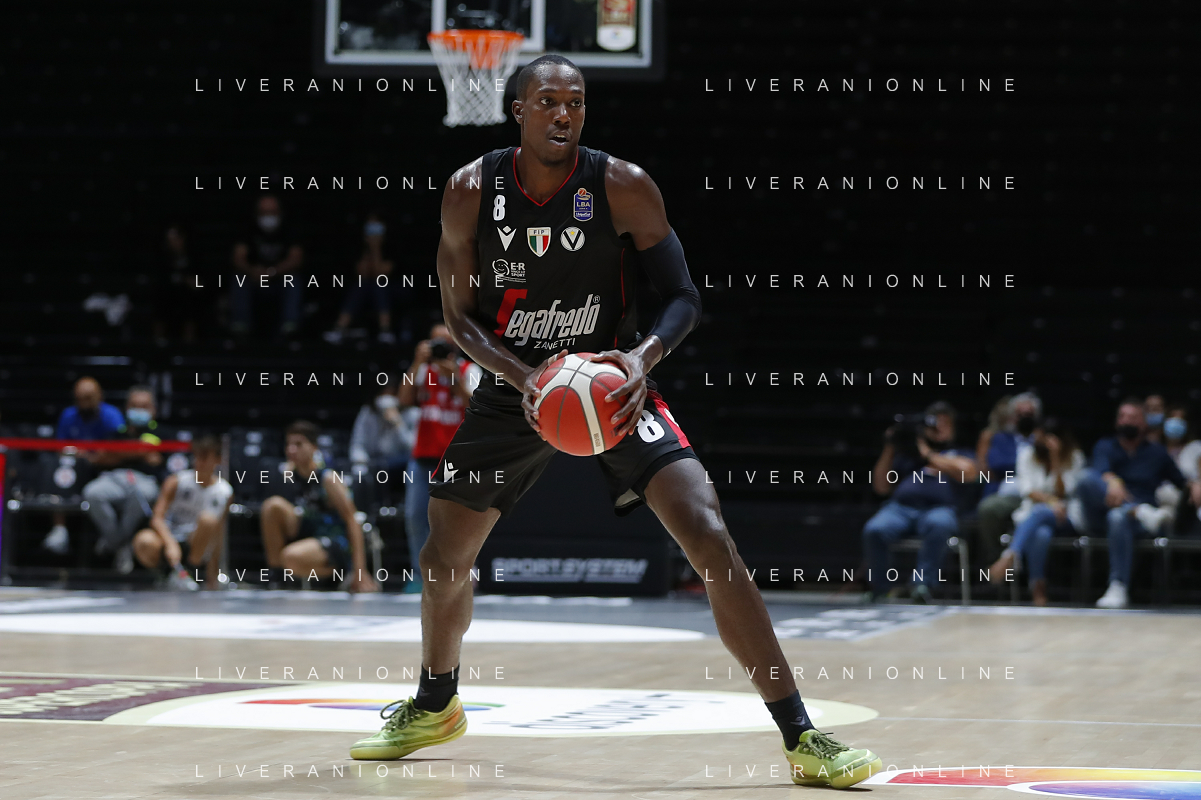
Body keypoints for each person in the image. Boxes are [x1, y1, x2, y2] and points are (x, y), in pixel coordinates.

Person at [347, 55, 881, 788]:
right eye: (548, 101)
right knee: (443, 557)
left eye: (575, 102)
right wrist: (527, 379)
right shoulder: (470, 191)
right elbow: (459, 319)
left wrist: (640, 358)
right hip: (515, 388)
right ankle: (436, 703)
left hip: (613, 385)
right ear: (518, 110)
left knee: (708, 534)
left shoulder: (621, 186)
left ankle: (802, 735)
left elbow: (684, 298)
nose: (564, 113)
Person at [862, 401, 980, 604]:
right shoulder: (907, 457)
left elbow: (968, 472)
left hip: (939, 509)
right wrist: (890, 447)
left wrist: (927, 453)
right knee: (875, 529)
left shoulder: (959, 452)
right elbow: (881, 487)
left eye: (944, 424)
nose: (938, 428)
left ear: (953, 429)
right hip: (901, 509)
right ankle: (880, 589)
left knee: (940, 523)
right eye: (933, 423)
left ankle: (922, 586)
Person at [397, 323, 482, 593]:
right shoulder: (423, 370)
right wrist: (416, 363)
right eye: (435, 342)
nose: (441, 348)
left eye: (446, 342)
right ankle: (419, 577)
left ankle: (462, 576)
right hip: (423, 456)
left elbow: (476, 408)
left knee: (460, 521)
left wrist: (454, 380)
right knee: (415, 517)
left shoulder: (469, 370)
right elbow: (403, 400)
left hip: (457, 458)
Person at [1078, 398, 1187, 609]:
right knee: (1085, 479)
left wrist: (1195, 484)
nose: (1127, 421)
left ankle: (1118, 586)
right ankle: (1137, 510)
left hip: (1138, 526)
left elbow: (1182, 482)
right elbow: (1101, 472)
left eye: (1133, 417)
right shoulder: (1105, 445)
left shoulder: (1157, 452)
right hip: (1101, 515)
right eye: (1123, 416)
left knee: (1117, 517)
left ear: (1144, 423)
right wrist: (1114, 482)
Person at [258, 420, 378, 592]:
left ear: (314, 447)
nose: (291, 450)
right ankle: (277, 577)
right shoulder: (292, 474)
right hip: (310, 530)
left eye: (298, 444)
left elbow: (352, 520)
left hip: (335, 538)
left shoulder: (328, 478)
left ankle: (344, 575)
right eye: (289, 444)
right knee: (272, 506)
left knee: (290, 557)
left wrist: (360, 571)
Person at [988, 418, 1086, 606]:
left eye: (1043, 439)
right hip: (1036, 517)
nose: (1038, 442)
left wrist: (1055, 458)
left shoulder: (1075, 457)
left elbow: (1063, 492)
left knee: (1041, 512)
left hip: (1065, 517)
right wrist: (1052, 502)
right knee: (1041, 534)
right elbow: (1027, 490)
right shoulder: (1027, 454)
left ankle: (1011, 555)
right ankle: (1038, 585)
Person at [131, 435, 233, 590]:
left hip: (195, 543)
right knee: (144, 540)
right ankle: (165, 574)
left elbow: (218, 532)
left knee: (208, 520)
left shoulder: (224, 491)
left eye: (205, 457)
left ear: (218, 460)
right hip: (169, 538)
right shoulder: (176, 481)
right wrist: (170, 543)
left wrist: (214, 574)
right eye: (197, 456)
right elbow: (157, 518)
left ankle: (191, 571)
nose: (199, 462)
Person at [83, 386, 166, 573]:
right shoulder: (117, 431)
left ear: (153, 410)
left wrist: (120, 453)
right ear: (127, 408)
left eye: (144, 406)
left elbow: (158, 460)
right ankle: (121, 544)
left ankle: (113, 543)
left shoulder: (162, 432)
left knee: (142, 494)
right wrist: (140, 452)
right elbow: (101, 458)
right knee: (92, 493)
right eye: (135, 406)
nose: (139, 410)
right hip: (115, 478)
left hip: (145, 480)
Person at [42, 377, 126, 554]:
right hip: (76, 467)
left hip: (103, 469)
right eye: (80, 398)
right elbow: (60, 448)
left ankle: (109, 536)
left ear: (99, 396)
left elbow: (116, 452)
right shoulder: (69, 415)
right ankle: (59, 530)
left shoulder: (112, 415)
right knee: (59, 469)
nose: (84, 403)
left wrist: (89, 456)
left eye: (88, 398)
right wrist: (82, 455)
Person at [974, 393, 1041, 568]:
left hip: (1039, 494)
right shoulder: (1001, 438)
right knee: (988, 508)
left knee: (1042, 526)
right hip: (1009, 494)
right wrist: (1027, 462)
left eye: (1029, 414)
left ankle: (1032, 572)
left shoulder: (1043, 440)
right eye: (1020, 414)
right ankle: (996, 561)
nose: (1025, 418)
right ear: (1013, 417)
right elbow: (997, 463)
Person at [230, 195, 304, 337]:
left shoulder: (288, 229)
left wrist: (272, 272)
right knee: (239, 278)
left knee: (293, 278)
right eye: (264, 213)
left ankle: (290, 326)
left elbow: (296, 259)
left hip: (278, 280)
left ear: (280, 213)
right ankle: (240, 325)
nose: (268, 217)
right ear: (257, 214)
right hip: (254, 280)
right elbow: (238, 258)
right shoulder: (248, 229)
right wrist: (252, 271)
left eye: (272, 212)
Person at [324, 212, 403, 346]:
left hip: (391, 287)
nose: (373, 232)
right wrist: (369, 249)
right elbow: (362, 273)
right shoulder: (359, 248)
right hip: (366, 285)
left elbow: (380, 274)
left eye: (376, 227)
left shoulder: (392, 248)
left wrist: (376, 249)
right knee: (361, 285)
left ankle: (385, 330)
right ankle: (339, 329)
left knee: (379, 285)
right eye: (370, 227)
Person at [349, 375, 418, 480]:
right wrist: (360, 464)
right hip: (373, 463)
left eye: (391, 395)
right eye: (383, 394)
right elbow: (358, 444)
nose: (386, 400)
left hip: (401, 466)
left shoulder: (412, 413)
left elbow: (412, 448)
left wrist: (397, 423)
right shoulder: (368, 412)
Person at [152, 223, 207, 345]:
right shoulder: (163, 257)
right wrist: (182, 279)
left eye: (175, 238)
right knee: (161, 299)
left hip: (188, 295)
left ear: (182, 238)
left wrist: (193, 283)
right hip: (168, 294)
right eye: (169, 239)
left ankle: (189, 343)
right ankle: (158, 342)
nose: (172, 242)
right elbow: (160, 280)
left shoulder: (194, 257)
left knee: (191, 302)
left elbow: (200, 282)